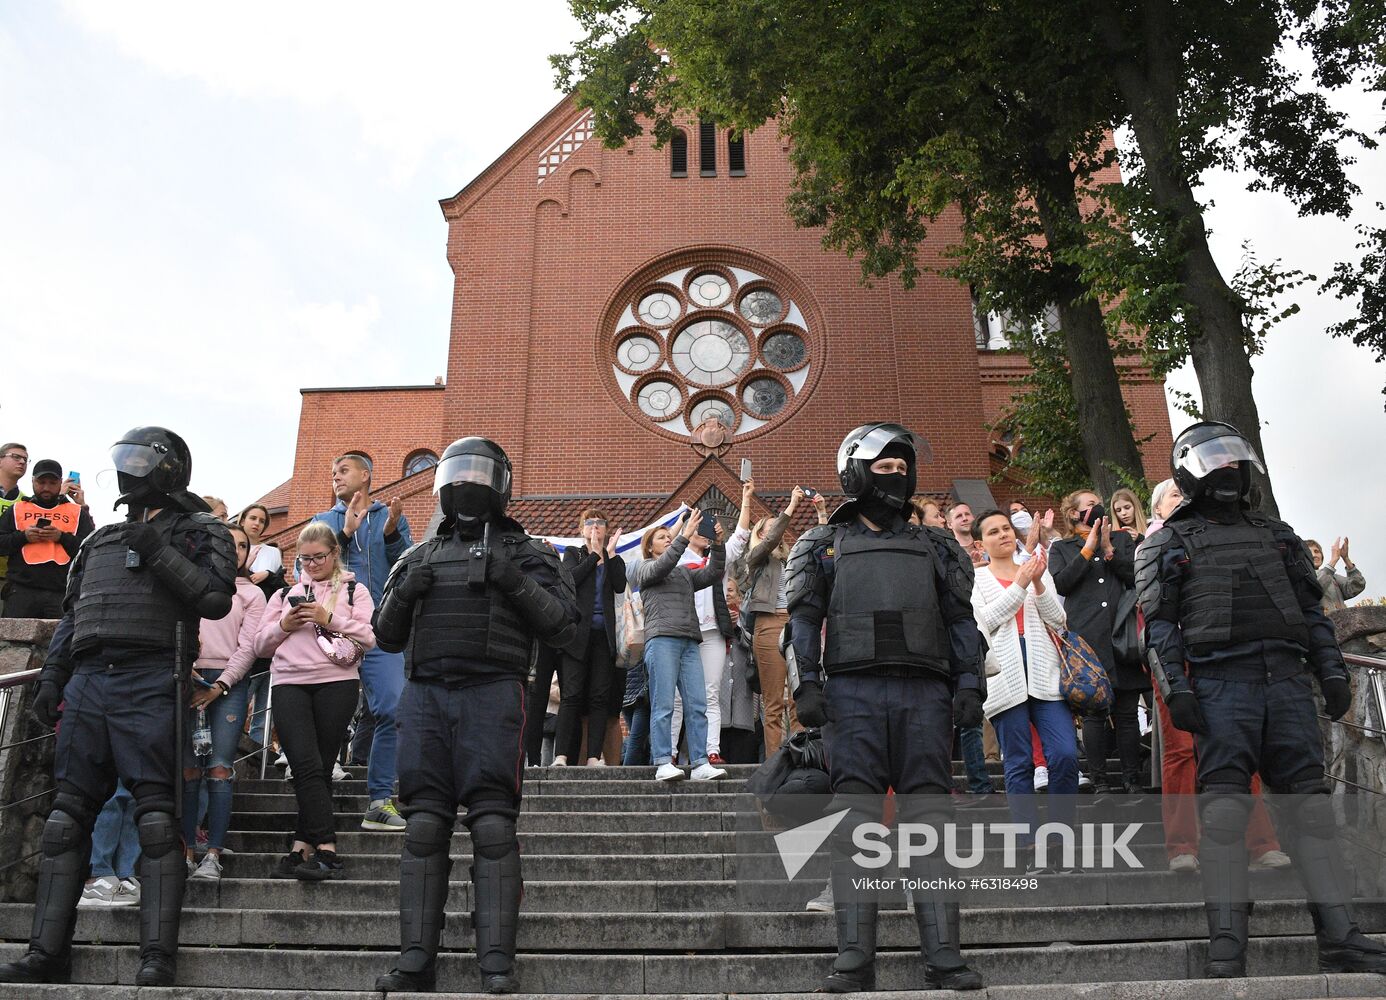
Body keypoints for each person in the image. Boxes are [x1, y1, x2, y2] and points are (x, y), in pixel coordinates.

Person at [1137, 420, 1386, 977]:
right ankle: (1227, 941)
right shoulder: (1167, 543)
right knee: (1224, 814)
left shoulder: (1279, 536)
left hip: (1288, 683)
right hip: (1220, 686)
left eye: (1234, 462)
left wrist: (1331, 673)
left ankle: (1340, 936)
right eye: (1215, 463)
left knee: (1313, 814)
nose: (1227, 472)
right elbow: (1159, 629)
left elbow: (1311, 615)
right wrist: (1176, 690)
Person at [0, 427, 236, 987]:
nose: (129, 468)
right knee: (64, 820)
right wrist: (53, 680)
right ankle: (46, 953)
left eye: (139, 458)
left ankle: (157, 957)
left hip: (153, 676)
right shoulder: (98, 540)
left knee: (156, 818)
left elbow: (214, 597)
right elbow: (74, 615)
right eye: (122, 458)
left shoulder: (202, 530)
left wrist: (156, 550)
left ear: (169, 467)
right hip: (89, 681)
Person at [371, 437, 578, 994]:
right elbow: (386, 637)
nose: (468, 482)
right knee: (422, 825)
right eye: (458, 471)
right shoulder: (417, 557)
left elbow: (563, 624)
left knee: (491, 825)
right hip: (427, 696)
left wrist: (511, 579)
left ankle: (496, 964)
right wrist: (404, 593)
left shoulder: (530, 551)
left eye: (478, 472)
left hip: (493, 692)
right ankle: (416, 960)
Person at [786, 422, 986, 992]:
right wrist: (807, 683)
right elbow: (802, 619)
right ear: (855, 472)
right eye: (884, 467)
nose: (895, 477)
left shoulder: (937, 545)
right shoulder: (821, 544)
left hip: (925, 694)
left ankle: (944, 955)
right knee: (856, 825)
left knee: (930, 825)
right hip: (853, 694)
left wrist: (969, 684)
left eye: (903, 468)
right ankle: (855, 957)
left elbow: (959, 621)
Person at [255, 522, 375, 881]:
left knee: (320, 767)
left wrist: (329, 618)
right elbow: (261, 645)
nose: (310, 564)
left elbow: (370, 637)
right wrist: (284, 626)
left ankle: (300, 846)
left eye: (318, 557)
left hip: (337, 683)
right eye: (304, 559)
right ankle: (327, 848)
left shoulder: (355, 590)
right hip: (290, 682)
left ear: (334, 554)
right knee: (304, 764)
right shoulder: (281, 596)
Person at [970, 510, 1079, 873]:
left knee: (1064, 754)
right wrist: (1019, 583)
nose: (1003, 535)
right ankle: (1029, 844)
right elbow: (985, 621)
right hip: (1005, 677)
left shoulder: (1035, 567)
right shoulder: (976, 579)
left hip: (1046, 673)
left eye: (1006, 528)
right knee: (1017, 763)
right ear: (979, 543)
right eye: (993, 531)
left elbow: (1058, 620)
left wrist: (1036, 583)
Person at [312, 453, 412, 831]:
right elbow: (303, 571)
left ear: (366, 475)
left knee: (390, 708)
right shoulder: (323, 521)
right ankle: (314, 803)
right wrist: (344, 534)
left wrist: (391, 536)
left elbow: (407, 567)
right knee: (324, 719)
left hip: (381, 630)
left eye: (343, 470)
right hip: (330, 630)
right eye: (333, 472)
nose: (335, 476)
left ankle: (380, 801)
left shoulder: (390, 516)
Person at [181, 524, 267, 881]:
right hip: (188, 678)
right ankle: (185, 849)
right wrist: (186, 670)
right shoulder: (187, 581)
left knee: (219, 769)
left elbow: (249, 646)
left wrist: (220, 685)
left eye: (243, 545)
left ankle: (212, 853)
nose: (235, 550)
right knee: (188, 770)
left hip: (228, 684)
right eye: (228, 543)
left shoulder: (252, 594)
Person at [1049, 488, 1147, 798]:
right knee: (1093, 713)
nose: (1098, 507)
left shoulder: (1121, 541)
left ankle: (1132, 780)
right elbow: (1063, 583)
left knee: (1128, 714)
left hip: (1123, 639)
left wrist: (1107, 548)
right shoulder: (1062, 547)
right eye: (1090, 504)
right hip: (1088, 642)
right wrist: (1088, 549)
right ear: (1074, 514)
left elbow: (1135, 577)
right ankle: (1100, 780)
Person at [629, 513, 729, 783]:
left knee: (697, 704)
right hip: (661, 639)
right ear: (650, 546)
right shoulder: (642, 568)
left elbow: (713, 573)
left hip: (689, 641)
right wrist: (684, 537)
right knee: (663, 704)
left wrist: (718, 544)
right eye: (662, 537)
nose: (668, 539)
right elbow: (664, 565)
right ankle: (663, 761)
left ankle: (699, 763)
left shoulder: (684, 572)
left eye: (669, 536)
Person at [736, 483, 807, 756]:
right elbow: (769, 542)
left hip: (795, 624)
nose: (777, 532)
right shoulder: (755, 559)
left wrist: (822, 513)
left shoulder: (793, 559)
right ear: (761, 535)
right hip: (768, 625)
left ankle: (801, 755)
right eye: (770, 528)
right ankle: (775, 760)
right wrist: (790, 507)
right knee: (774, 699)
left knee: (799, 695)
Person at [555, 509, 626, 766]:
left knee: (599, 697)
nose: (595, 527)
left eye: (600, 523)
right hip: (577, 636)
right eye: (590, 523)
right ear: (581, 529)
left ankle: (595, 756)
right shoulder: (574, 554)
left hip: (602, 636)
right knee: (571, 695)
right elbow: (570, 580)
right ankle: (561, 756)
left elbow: (619, 585)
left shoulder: (611, 556)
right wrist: (594, 554)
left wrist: (612, 554)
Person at [0, 460, 94, 618]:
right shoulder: (17, 509)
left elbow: (91, 550)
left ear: (61, 482)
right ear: (32, 481)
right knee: (11, 642)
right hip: (21, 591)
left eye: (52, 483)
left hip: (61, 593)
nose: (46, 488)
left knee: (58, 642)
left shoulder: (76, 511)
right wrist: (24, 537)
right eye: (41, 482)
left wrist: (61, 537)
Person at [237, 502, 284, 751]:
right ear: (242, 519)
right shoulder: (230, 547)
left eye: (261, 521)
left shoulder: (271, 553)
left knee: (266, 696)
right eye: (252, 518)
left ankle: (258, 748)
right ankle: (239, 744)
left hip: (266, 635)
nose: (257, 524)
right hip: (240, 635)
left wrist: (269, 574)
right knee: (242, 691)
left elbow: (280, 588)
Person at [0, 443, 30, 616]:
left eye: (25, 459)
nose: (22, 462)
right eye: (16, 457)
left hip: (10, 579)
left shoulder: (25, 503)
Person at [1307, 537, 1365, 613]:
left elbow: (1356, 586)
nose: (1314, 555)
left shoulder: (1332, 576)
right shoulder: (1299, 576)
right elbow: (1314, 589)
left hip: (1342, 622)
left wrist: (1346, 559)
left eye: (1317, 551)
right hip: (1319, 623)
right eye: (1308, 552)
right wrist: (1333, 560)